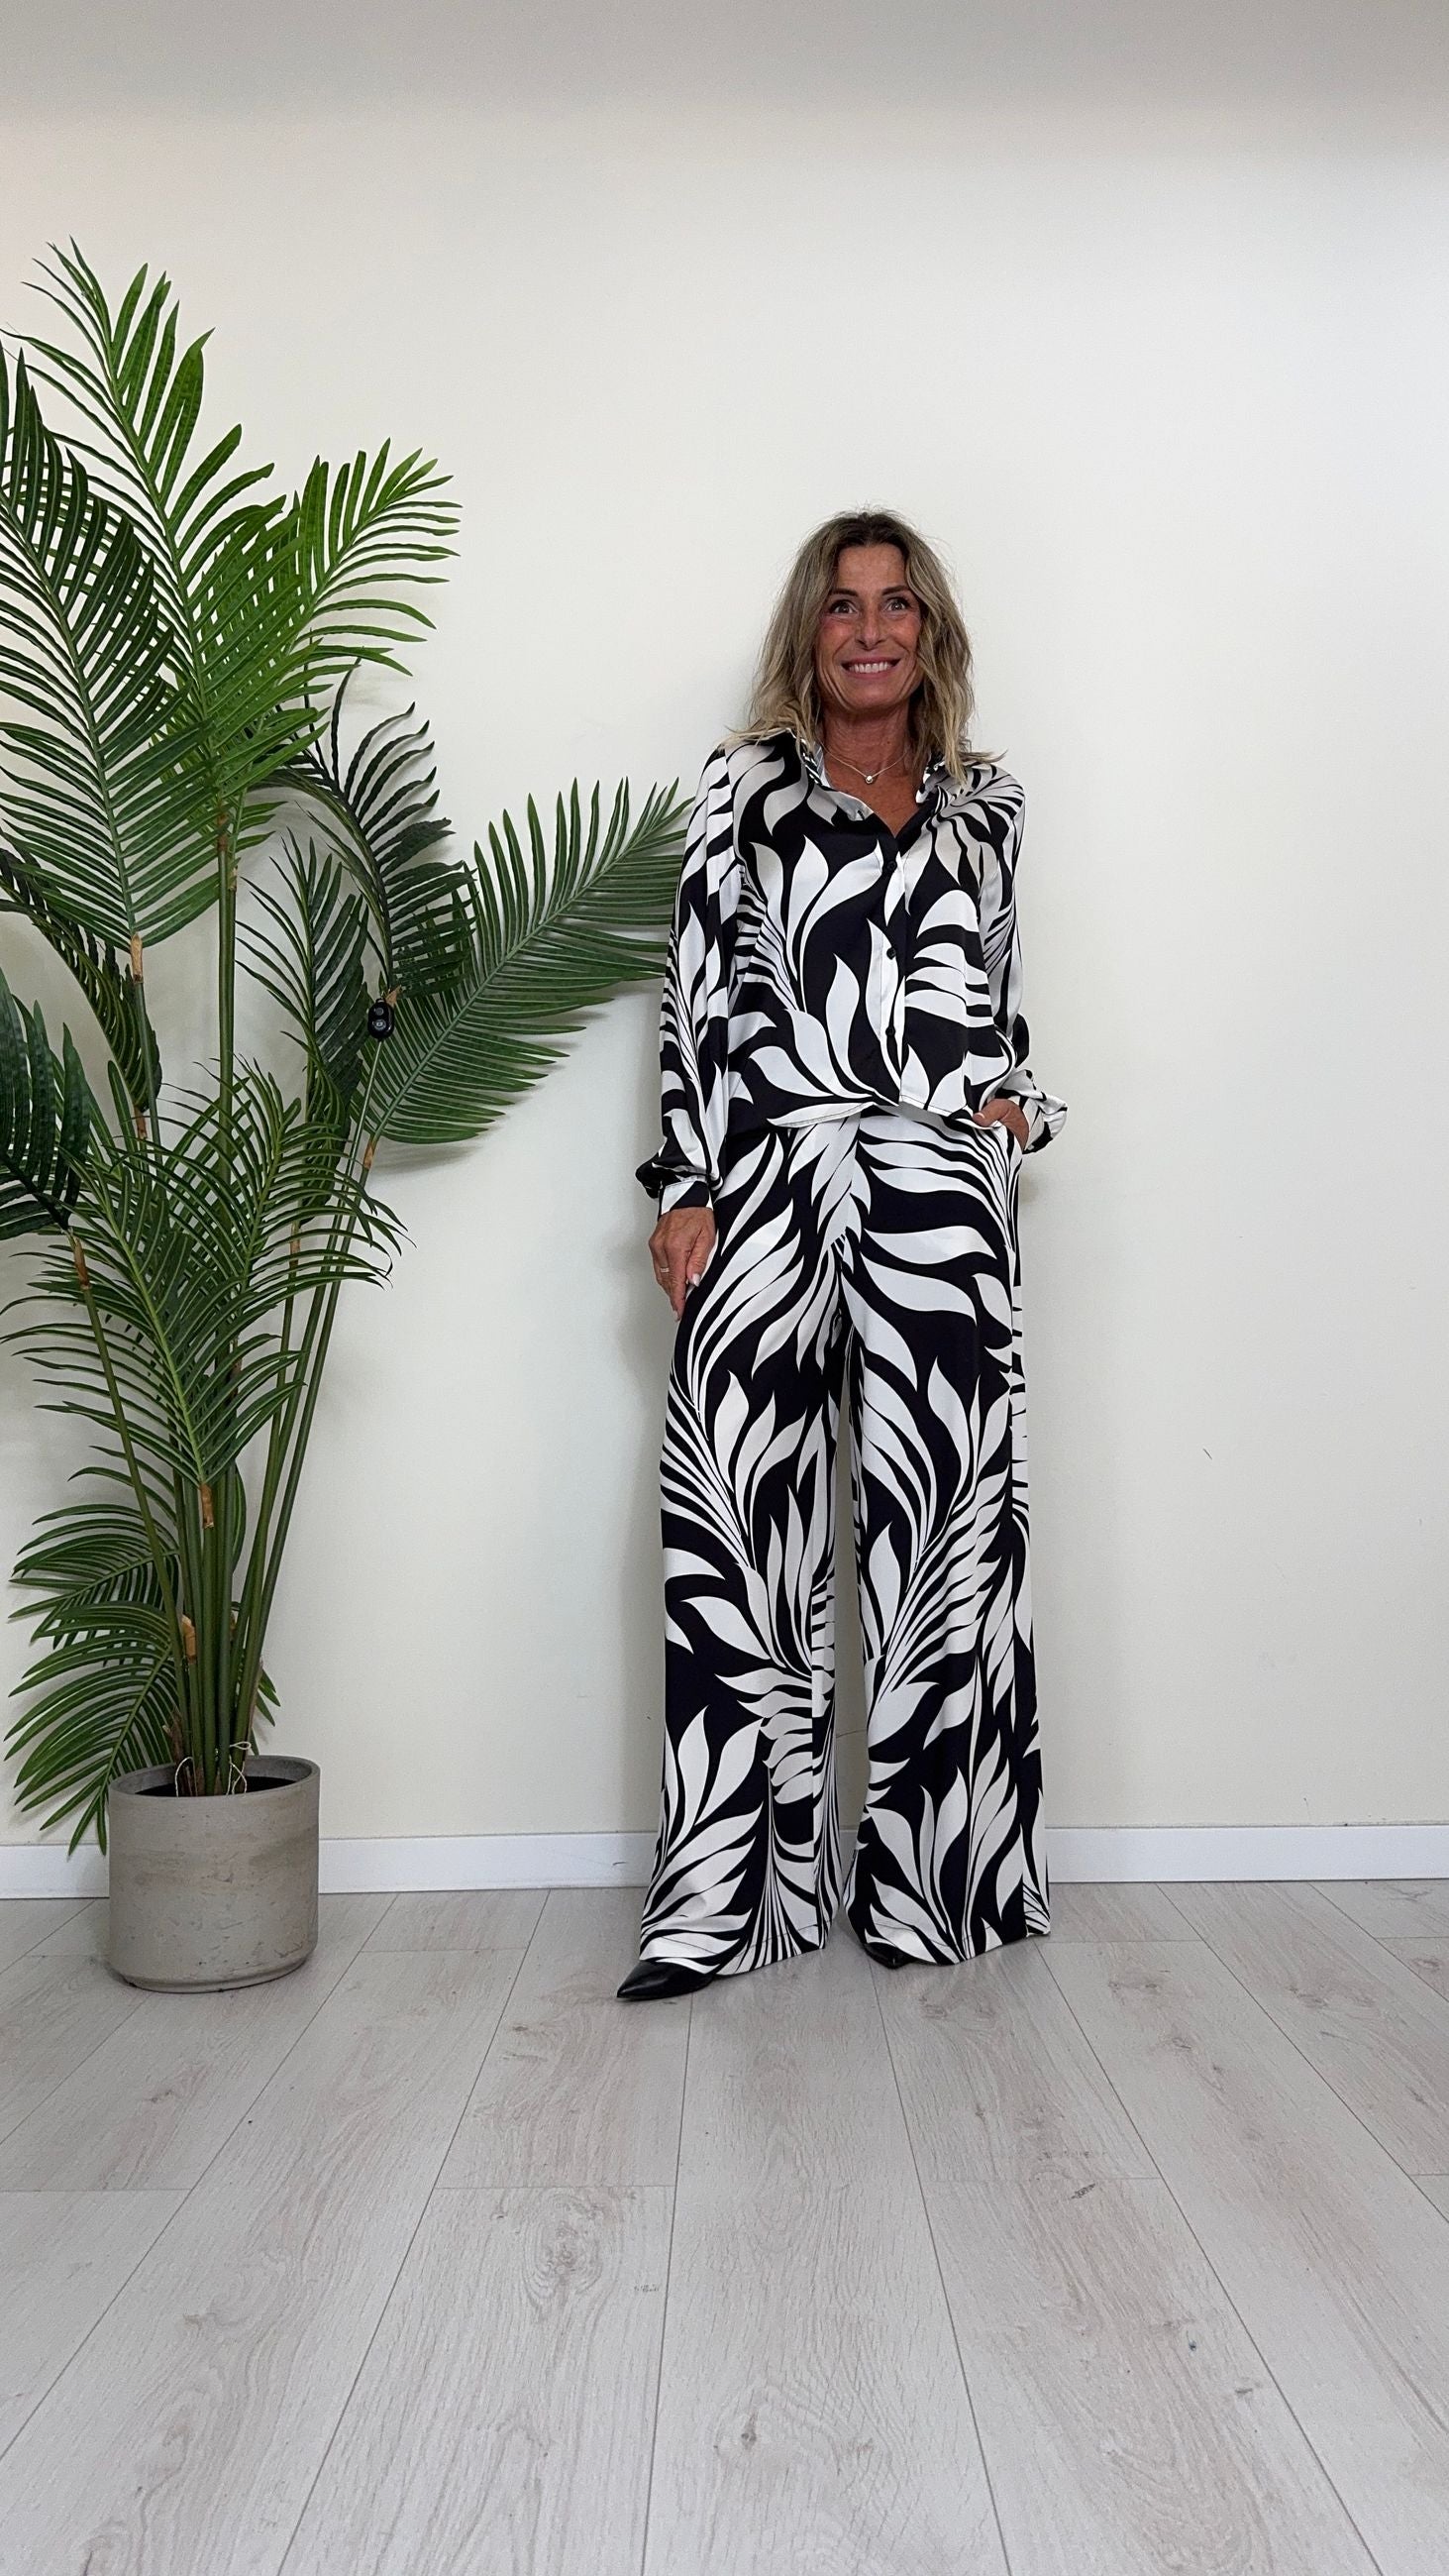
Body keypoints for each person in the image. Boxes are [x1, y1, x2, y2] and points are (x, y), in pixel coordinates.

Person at [619, 508, 1067, 2001]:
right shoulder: (739, 789)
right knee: (735, 1528)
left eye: (896, 605)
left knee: (944, 1541)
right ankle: (726, 1908)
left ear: (930, 632)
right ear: (807, 634)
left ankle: (935, 1890)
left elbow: (1000, 993)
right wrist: (685, 1186)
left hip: (940, 1187)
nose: (870, 631)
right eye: (842, 606)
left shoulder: (989, 807)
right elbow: (692, 1000)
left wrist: (1006, 1110)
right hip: (772, 1172)